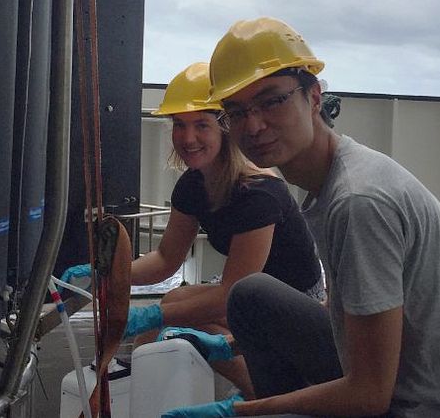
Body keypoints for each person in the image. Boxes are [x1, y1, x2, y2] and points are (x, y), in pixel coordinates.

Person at [160, 17, 440, 418]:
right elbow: (349, 318)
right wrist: (232, 346)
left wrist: (245, 411)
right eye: (237, 112)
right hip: (410, 378)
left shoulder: (358, 201)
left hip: (434, 406)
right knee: (252, 297)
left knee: (252, 307)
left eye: (272, 101)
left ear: (313, 97)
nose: (254, 125)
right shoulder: (336, 181)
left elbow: (368, 395)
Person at [62, 61, 328, 400]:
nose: (187, 138)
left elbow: (232, 291)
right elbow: (165, 259)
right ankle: (145, 386)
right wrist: (108, 273)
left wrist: (153, 314)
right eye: (179, 124)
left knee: (181, 318)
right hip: (249, 293)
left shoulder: (258, 193)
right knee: (171, 309)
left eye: (201, 124)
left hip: (298, 304)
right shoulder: (193, 185)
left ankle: (266, 398)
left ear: (225, 127)